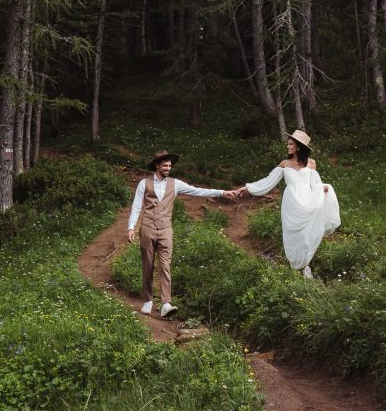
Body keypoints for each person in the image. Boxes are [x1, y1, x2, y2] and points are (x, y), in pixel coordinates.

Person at [127, 149, 234, 317]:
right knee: (147, 265)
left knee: (166, 265)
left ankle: (166, 303)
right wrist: (131, 227)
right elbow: (136, 206)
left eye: (170, 166)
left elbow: (198, 191)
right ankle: (148, 300)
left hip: (166, 229)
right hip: (147, 228)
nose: (168, 168)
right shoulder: (144, 183)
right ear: (157, 165)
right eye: (165, 165)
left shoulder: (175, 184)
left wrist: (222, 192)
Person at [234, 129, 340, 278]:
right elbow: (268, 181)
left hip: (307, 200)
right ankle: (295, 265)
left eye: (291, 144)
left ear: (299, 147)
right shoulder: (285, 164)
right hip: (291, 204)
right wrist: (248, 188)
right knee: (292, 233)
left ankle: (306, 265)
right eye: (288, 144)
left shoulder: (311, 163)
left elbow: (315, 184)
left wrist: (322, 188)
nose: (288, 146)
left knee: (307, 233)